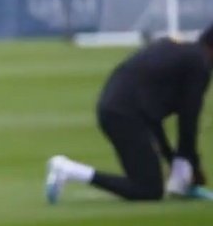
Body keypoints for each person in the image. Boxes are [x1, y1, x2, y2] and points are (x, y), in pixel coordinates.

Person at [45, 24, 213, 203]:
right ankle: (68, 169)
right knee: (148, 189)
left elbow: (152, 117)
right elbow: (188, 119)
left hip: (115, 108)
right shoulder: (198, 64)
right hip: (125, 114)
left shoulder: (179, 53)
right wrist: (190, 164)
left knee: (148, 183)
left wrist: (173, 160)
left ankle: (67, 170)